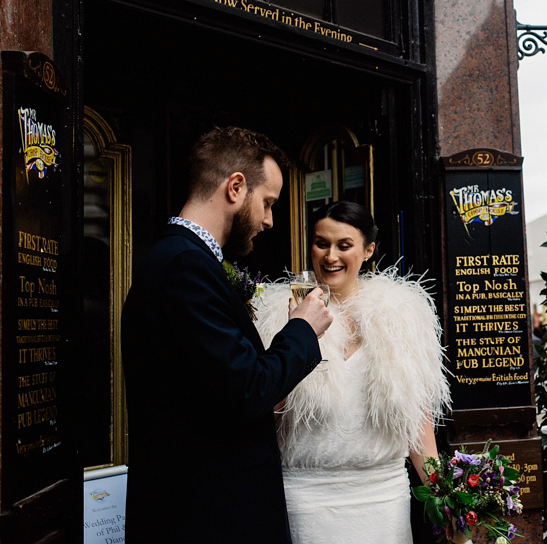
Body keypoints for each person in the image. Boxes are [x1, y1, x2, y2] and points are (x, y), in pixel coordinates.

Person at [121, 127, 333, 543]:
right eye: (268, 203)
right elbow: (248, 389)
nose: (270, 220)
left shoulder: (184, 260)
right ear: (236, 186)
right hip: (206, 517)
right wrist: (303, 330)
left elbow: (220, 391)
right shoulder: (184, 267)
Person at [254, 201, 450, 544]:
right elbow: (263, 409)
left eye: (344, 245)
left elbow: (419, 428)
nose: (331, 256)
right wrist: (295, 334)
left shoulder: (402, 317)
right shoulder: (275, 317)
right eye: (321, 243)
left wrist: (448, 502)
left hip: (382, 500)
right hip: (306, 500)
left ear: (369, 249)